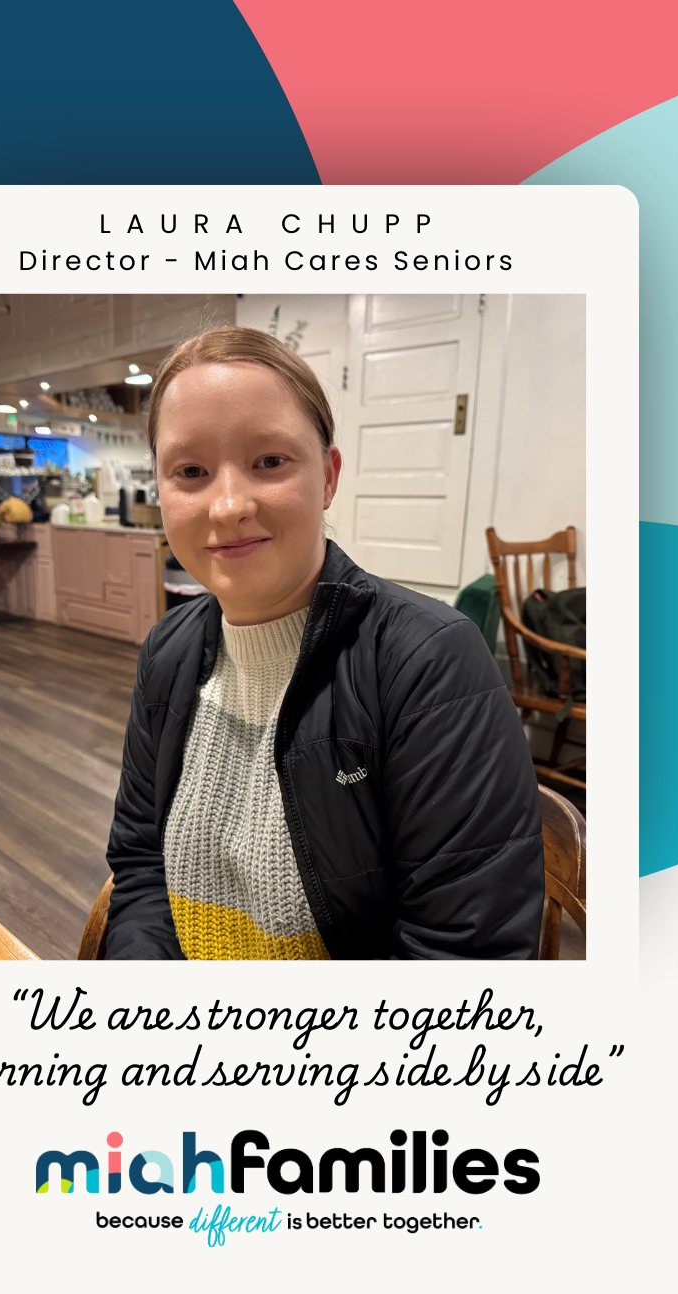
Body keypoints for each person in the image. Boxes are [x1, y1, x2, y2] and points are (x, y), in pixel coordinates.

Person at [103, 326, 543, 960]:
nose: (227, 505)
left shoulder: (427, 663)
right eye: (191, 471)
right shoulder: (167, 653)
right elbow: (143, 866)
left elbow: (464, 953)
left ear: (329, 477)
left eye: (270, 462)